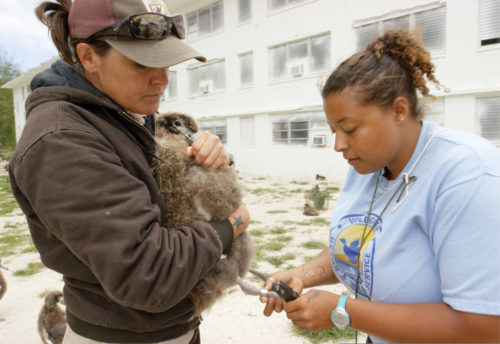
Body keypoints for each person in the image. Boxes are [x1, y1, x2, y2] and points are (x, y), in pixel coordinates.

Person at [8, 0, 249, 343]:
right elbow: (148, 275)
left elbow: (155, 190)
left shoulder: (120, 109)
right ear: (88, 57)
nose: (162, 80)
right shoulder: (61, 141)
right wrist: (232, 224)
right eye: (142, 64)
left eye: (166, 62)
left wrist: (203, 157)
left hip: (171, 327)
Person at [261, 29, 500, 343]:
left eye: (349, 129)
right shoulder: (369, 164)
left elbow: (483, 327)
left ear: (399, 111)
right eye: (334, 130)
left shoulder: (468, 176)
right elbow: (364, 246)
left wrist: (344, 310)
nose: (338, 145)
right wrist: (303, 274)